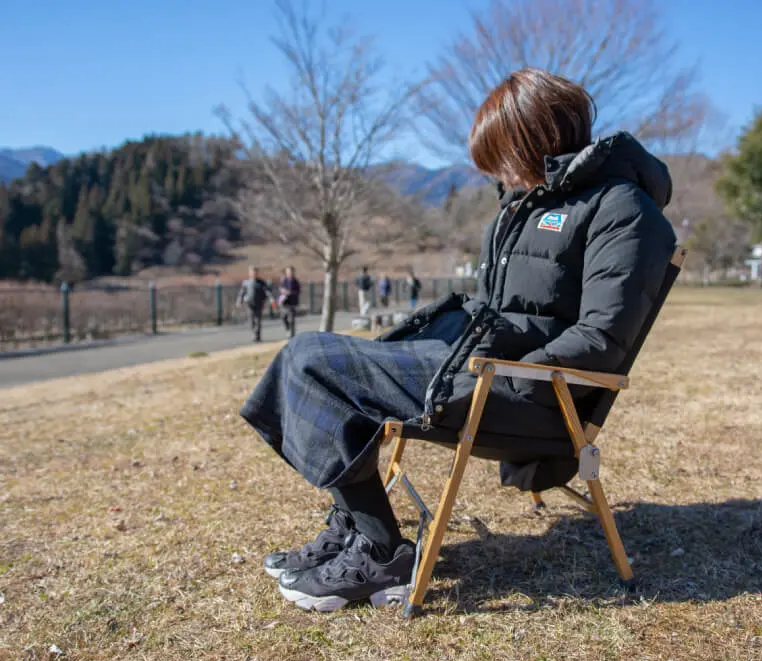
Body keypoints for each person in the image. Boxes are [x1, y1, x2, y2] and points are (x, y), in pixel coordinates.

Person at [241, 68, 676, 612]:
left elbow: (602, 338)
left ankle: (381, 552)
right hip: (478, 368)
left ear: (533, 138)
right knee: (311, 358)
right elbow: (501, 309)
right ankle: (356, 524)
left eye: (502, 156)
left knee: (312, 363)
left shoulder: (621, 208)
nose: (499, 172)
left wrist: (507, 373)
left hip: (531, 397)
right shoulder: (525, 207)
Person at [236, 266, 275, 343]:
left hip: (259, 303)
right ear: (249, 273)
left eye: (255, 272)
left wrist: (271, 299)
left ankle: (257, 336)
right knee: (251, 320)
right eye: (252, 272)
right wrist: (239, 301)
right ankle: (254, 332)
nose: (254, 273)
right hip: (250, 304)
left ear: (257, 273)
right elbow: (242, 293)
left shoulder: (261, 282)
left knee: (258, 320)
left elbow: (267, 291)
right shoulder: (246, 282)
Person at [278, 266, 301, 338]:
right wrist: (282, 291)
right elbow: (280, 288)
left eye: (291, 271)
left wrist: (290, 292)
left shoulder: (295, 281)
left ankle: (292, 334)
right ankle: (288, 329)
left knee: (292, 319)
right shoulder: (284, 280)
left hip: (292, 303)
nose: (289, 273)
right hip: (284, 302)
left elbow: (298, 291)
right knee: (283, 317)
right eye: (288, 272)